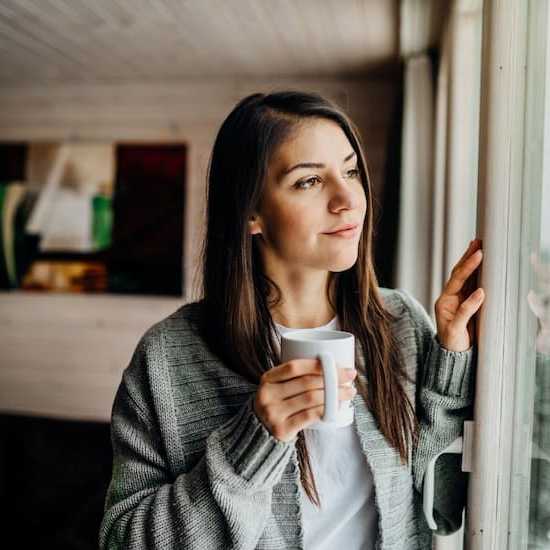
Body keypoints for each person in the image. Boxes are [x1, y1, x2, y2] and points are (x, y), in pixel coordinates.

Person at [99, 90, 484, 549]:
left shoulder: (400, 322)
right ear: (251, 213)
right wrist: (253, 442)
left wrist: (451, 361)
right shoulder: (168, 357)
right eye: (308, 182)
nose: (348, 200)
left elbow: (442, 511)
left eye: (350, 171)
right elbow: (123, 542)